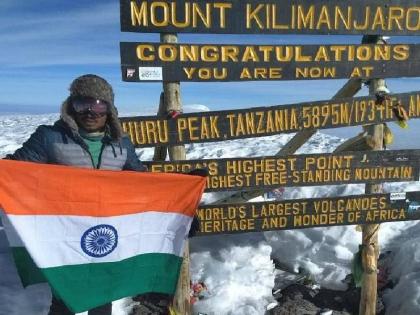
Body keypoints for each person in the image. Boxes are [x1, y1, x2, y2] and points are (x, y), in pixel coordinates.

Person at [6, 74, 147, 315]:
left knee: (103, 295)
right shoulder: (49, 137)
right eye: (83, 104)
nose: (91, 112)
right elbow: (15, 171)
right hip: (64, 234)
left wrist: (182, 198)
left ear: (109, 110)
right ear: (71, 107)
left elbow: (142, 182)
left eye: (99, 105)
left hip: (105, 234)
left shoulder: (121, 143)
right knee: (64, 298)